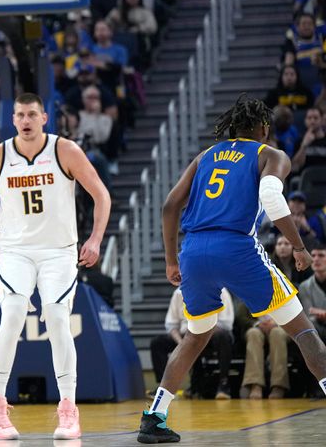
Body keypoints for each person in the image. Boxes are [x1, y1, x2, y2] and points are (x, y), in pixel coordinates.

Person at [138, 96, 326, 443]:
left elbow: (169, 206)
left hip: (193, 251)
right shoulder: (269, 154)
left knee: (196, 336)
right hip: (236, 246)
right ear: (264, 128)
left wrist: (170, 260)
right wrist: (299, 246)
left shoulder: (205, 156)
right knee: (303, 330)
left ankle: (154, 417)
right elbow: (271, 196)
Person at [0, 93, 111, 440]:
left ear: (45, 117)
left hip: (59, 251)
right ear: (12, 120)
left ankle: (68, 409)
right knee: (13, 314)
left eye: (32, 114)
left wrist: (95, 240)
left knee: (58, 319)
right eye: (20, 115)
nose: (26, 120)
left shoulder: (65, 151)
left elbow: (101, 194)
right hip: (15, 250)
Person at [150, 288, 234, 399]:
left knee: (223, 337)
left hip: (211, 333)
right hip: (185, 335)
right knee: (157, 343)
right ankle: (164, 388)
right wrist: (182, 343)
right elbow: (172, 325)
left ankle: (223, 384)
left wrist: (199, 336)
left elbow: (226, 323)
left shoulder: (220, 289)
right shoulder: (178, 293)